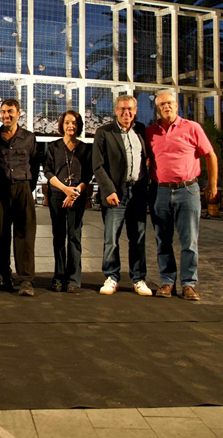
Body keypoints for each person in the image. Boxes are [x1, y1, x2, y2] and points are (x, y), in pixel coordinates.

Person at [146, 89, 218, 301]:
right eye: (161, 105)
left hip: (188, 190)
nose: (166, 107)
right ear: (157, 109)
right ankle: (167, 282)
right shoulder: (151, 132)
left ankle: (189, 284)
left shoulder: (192, 128)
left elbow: (210, 155)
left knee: (189, 241)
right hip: (160, 191)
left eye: (169, 103)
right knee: (163, 240)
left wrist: (212, 183)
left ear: (176, 106)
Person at [92, 94, 152, 297]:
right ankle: (111, 276)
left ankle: (138, 278)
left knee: (138, 238)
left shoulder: (142, 130)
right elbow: (98, 165)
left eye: (130, 109)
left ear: (135, 111)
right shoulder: (104, 132)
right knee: (111, 239)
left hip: (137, 193)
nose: (126, 112)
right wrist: (108, 190)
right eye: (122, 109)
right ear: (116, 110)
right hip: (115, 194)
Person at [0, 98, 40, 297]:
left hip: (23, 190)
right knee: (1, 235)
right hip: (0, 190)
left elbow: (34, 165)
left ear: (19, 113)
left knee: (25, 236)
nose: (6, 115)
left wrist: (27, 187)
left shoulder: (29, 137)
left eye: (10, 111)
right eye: (2, 112)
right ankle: (5, 276)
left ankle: (26, 280)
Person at [43, 110, 93, 293]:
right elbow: (48, 172)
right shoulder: (53, 146)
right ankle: (58, 276)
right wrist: (65, 190)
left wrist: (75, 192)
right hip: (57, 195)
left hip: (77, 197)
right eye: (67, 122)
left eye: (74, 123)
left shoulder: (86, 148)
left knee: (74, 237)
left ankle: (73, 279)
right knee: (58, 237)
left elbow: (88, 174)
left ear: (78, 126)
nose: (70, 126)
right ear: (62, 125)